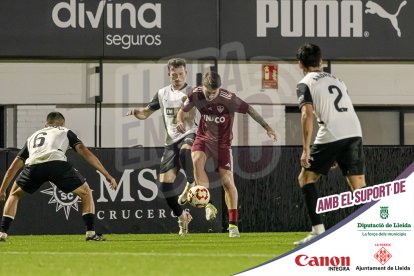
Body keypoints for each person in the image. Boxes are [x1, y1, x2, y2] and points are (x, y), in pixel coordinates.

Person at [176, 71, 277, 238]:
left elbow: (250, 109)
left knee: (228, 183)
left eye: (213, 93)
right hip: (203, 139)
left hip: (223, 144)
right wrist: (180, 120)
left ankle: (233, 226)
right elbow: (182, 110)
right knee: (196, 159)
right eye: (208, 92)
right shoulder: (196, 93)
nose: (209, 96)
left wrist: (267, 127)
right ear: (204, 87)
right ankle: (207, 203)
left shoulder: (229, 98)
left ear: (219, 89)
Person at [126, 58, 218, 236]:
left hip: (191, 133)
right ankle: (182, 216)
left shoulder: (193, 92)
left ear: (186, 73)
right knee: (165, 187)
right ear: (169, 74)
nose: (177, 77)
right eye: (174, 75)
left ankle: (197, 191)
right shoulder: (162, 94)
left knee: (186, 151)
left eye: (181, 74)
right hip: (170, 143)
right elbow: (145, 113)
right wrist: (137, 112)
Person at [0, 112, 117, 242]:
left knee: (14, 195)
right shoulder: (65, 131)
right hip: (57, 164)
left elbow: (14, 166)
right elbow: (84, 151)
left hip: (33, 166)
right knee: (85, 192)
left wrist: (2, 189)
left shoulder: (33, 137)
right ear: (62, 123)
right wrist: (107, 174)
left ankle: (2, 233)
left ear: (46, 124)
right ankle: (90, 233)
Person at [294, 43, 366, 245]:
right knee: (358, 186)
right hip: (354, 131)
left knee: (306, 177)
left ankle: (318, 231)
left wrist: (307, 149)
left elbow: (307, 114)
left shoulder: (305, 83)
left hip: (331, 132)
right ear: (321, 61)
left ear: (300, 64)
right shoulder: (338, 80)